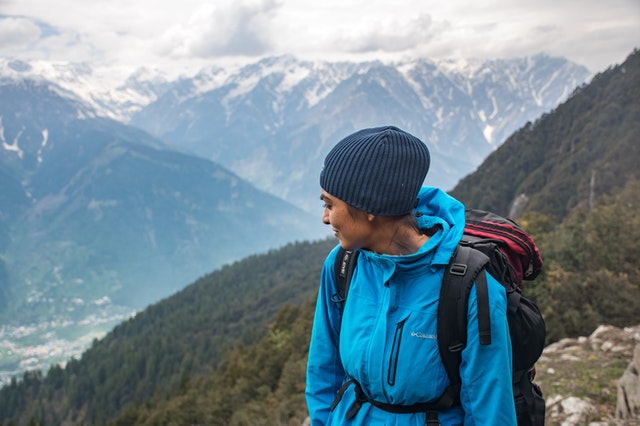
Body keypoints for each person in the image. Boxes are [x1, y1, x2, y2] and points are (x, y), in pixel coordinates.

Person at [305, 126, 517, 425]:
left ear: (369, 208)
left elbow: (490, 410)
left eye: (330, 204)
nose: (325, 217)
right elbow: (324, 371)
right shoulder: (342, 265)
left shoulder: (469, 286)